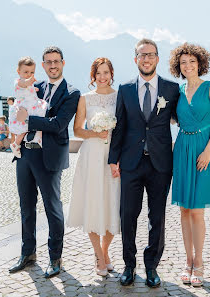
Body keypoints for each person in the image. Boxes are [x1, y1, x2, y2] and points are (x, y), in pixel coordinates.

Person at [108, 39, 179, 288]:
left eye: (150, 55)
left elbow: (184, 119)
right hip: (130, 163)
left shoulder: (171, 89)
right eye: (141, 55)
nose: (146, 59)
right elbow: (119, 127)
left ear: (157, 58)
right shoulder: (125, 89)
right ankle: (129, 265)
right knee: (128, 215)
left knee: (156, 217)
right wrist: (112, 160)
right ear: (135, 59)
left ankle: (151, 266)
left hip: (161, 164)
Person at [8, 46, 80, 278]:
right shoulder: (34, 86)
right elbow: (17, 104)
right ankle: (27, 253)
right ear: (43, 65)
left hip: (49, 157)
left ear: (63, 63)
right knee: (26, 207)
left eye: (56, 61)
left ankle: (55, 258)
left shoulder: (71, 92)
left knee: (53, 208)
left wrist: (28, 120)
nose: (52, 65)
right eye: (48, 62)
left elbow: (58, 124)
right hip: (25, 154)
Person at [169, 43, 210, 287]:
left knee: (197, 211)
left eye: (192, 61)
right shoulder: (177, 91)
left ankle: (199, 262)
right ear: (178, 66)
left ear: (200, 63)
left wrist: (208, 151)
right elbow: (171, 118)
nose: (188, 65)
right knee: (183, 209)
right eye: (183, 62)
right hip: (181, 148)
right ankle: (187, 261)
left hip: (203, 149)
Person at [67, 58, 120, 277]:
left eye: (106, 72)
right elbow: (77, 130)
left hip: (113, 157)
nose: (102, 76)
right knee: (92, 203)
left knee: (113, 204)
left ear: (111, 74)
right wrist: (95, 133)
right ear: (93, 75)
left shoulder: (120, 97)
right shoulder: (84, 99)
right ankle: (98, 256)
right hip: (91, 156)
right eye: (98, 73)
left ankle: (105, 251)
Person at [9, 57, 47, 158]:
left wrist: (33, 88)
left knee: (35, 124)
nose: (29, 75)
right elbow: (24, 84)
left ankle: (38, 139)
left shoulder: (27, 83)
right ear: (18, 71)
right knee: (24, 128)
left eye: (32, 72)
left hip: (31, 105)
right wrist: (30, 81)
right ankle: (15, 144)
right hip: (26, 107)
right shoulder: (18, 82)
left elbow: (27, 89)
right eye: (26, 72)